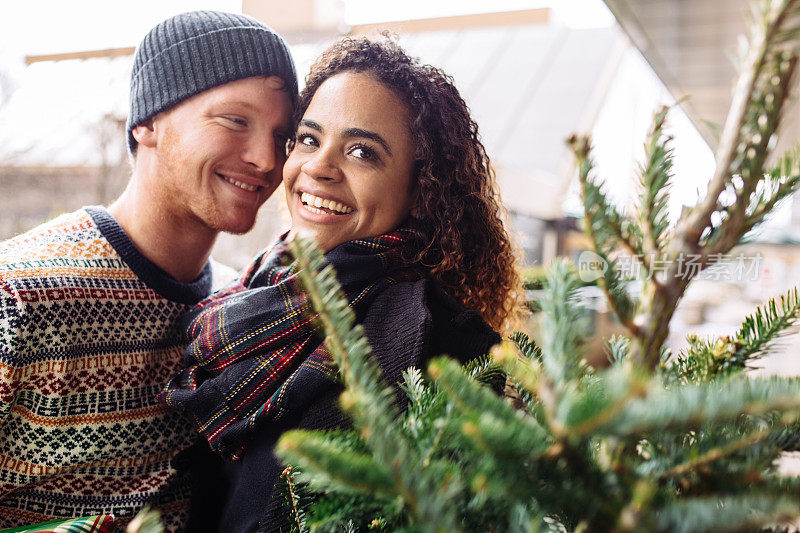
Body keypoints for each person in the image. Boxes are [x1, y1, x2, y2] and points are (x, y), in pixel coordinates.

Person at [159, 35, 522, 532]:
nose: (319, 168)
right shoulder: (253, 295)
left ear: (420, 189)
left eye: (362, 152)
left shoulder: (449, 348)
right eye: (309, 139)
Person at [0, 11, 296, 530]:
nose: (266, 159)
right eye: (235, 120)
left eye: (282, 135)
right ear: (148, 122)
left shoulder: (239, 311)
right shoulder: (20, 292)